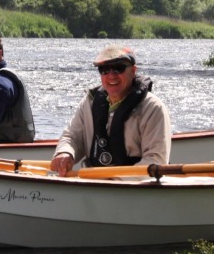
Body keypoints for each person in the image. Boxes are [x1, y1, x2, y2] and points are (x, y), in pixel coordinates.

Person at [49, 44, 171, 176]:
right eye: (104, 69)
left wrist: (114, 181)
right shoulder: (89, 102)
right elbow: (72, 137)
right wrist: (65, 152)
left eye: (119, 68)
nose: (111, 75)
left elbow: (156, 159)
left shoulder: (153, 108)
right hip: (92, 183)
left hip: (133, 187)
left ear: (133, 71)